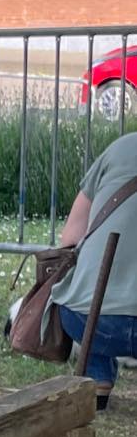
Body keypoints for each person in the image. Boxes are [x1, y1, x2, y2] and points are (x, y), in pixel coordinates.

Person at [51, 131, 137, 411]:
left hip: (88, 318)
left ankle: (98, 378)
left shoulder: (118, 149)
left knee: (84, 301)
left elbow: (69, 238)